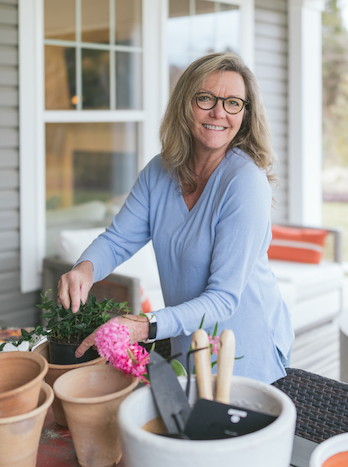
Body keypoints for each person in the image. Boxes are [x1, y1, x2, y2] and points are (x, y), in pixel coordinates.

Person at [58, 52, 293, 384]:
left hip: (244, 358)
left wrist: (144, 326)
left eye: (233, 103)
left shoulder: (245, 182)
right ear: (185, 103)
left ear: (245, 114)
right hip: (188, 348)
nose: (218, 112)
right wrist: (85, 268)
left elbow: (223, 298)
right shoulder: (159, 171)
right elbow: (117, 240)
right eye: (206, 98)